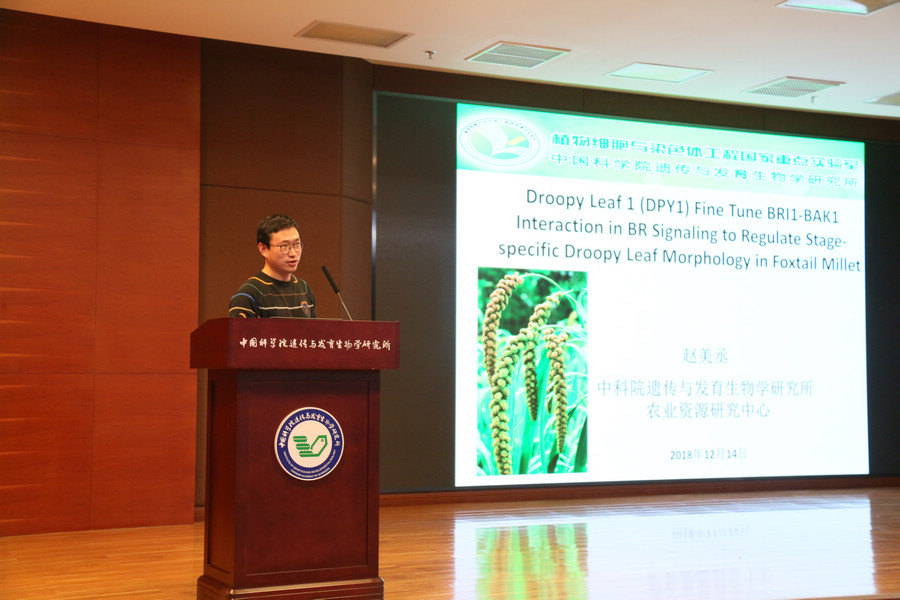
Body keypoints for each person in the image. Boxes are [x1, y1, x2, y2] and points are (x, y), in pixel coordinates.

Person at [228, 214, 317, 318]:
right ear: (263, 249)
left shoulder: (304, 288)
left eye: (296, 244)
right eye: (284, 246)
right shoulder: (248, 295)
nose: (293, 253)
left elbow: (313, 329)